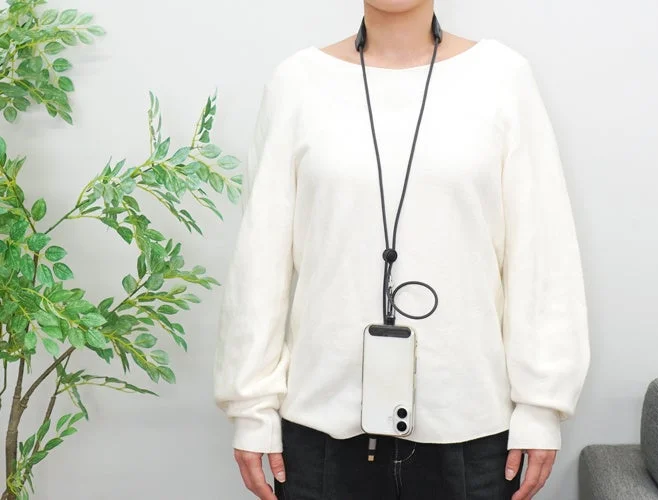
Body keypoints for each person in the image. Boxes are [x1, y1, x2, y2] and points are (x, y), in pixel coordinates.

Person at [212, 1, 590, 499]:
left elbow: (541, 252)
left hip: (471, 430)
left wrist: (541, 407)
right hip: (321, 428)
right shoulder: (296, 82)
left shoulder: (503, 77)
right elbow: (260, 259)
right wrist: (251, 408)